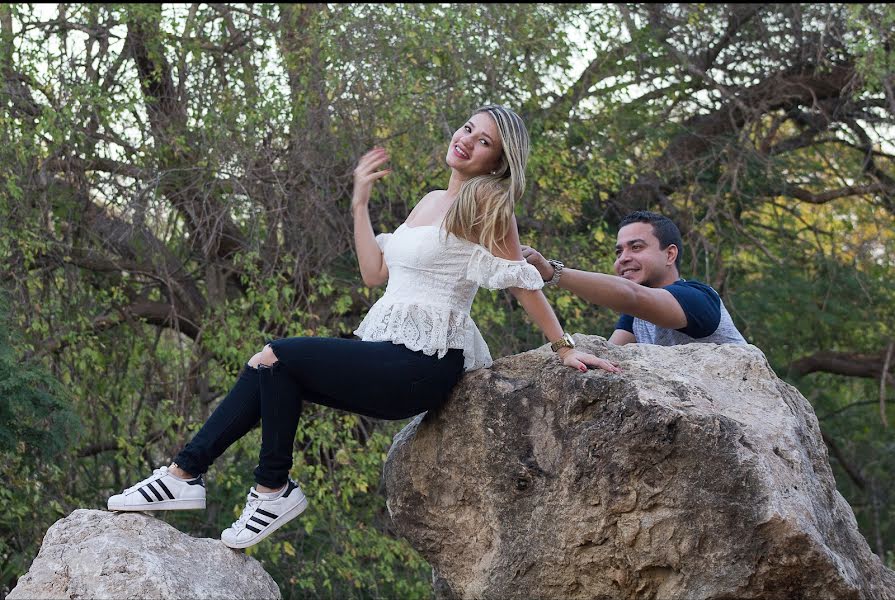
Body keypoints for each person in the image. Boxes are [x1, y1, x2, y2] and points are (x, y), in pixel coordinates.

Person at [107, 105, 620, 549]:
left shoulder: (485, 203)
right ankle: (216, 481)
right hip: (384, 350)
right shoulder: (427, 201)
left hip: (422, 363)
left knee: (278, 354)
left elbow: (520, 281)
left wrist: (563, 347)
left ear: (497, 161)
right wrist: (359, 202)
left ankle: (219, 481)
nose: (465, 141)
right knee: (272, 368)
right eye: (466, 128)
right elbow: (375, 273)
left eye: (483, 141)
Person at [521, 210, 746, 346]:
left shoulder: (699, 299)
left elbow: (631, 296)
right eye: (619, 252)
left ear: (670, 254)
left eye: (636, 247)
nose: (623, 259)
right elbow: (610, 354)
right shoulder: (635, 318)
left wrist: (552, 272)